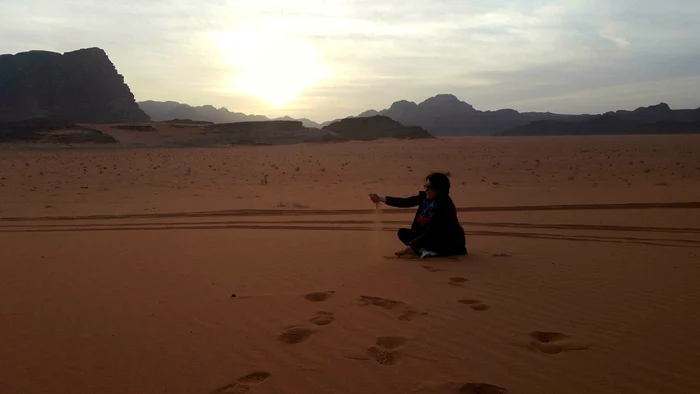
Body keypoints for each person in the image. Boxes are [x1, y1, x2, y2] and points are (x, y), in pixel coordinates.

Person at [369, 172, 467, 259]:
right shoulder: (426, 198)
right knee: (403, 233)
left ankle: (429, 251)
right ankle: (424, 251)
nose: (426, 190)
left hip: (446, 241)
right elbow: (405, 202)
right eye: (426, 186)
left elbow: (433, 233)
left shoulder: (445, 207)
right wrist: (380, 198)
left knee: (425, 240)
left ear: (438, 189)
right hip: (428, 236)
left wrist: (411, 246)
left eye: (429, 187)